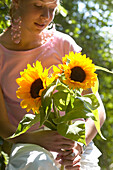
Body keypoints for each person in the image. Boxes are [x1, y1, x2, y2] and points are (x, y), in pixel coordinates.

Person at [0, 0, 106, 169]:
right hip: (30, 145)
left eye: (52, 9)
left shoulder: (63, 45)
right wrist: (34, 138)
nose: (46, 17)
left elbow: (97, 109)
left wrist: (79, 145)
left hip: (76, 145)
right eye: (38, 5)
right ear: (17, 3)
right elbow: (3, 126)